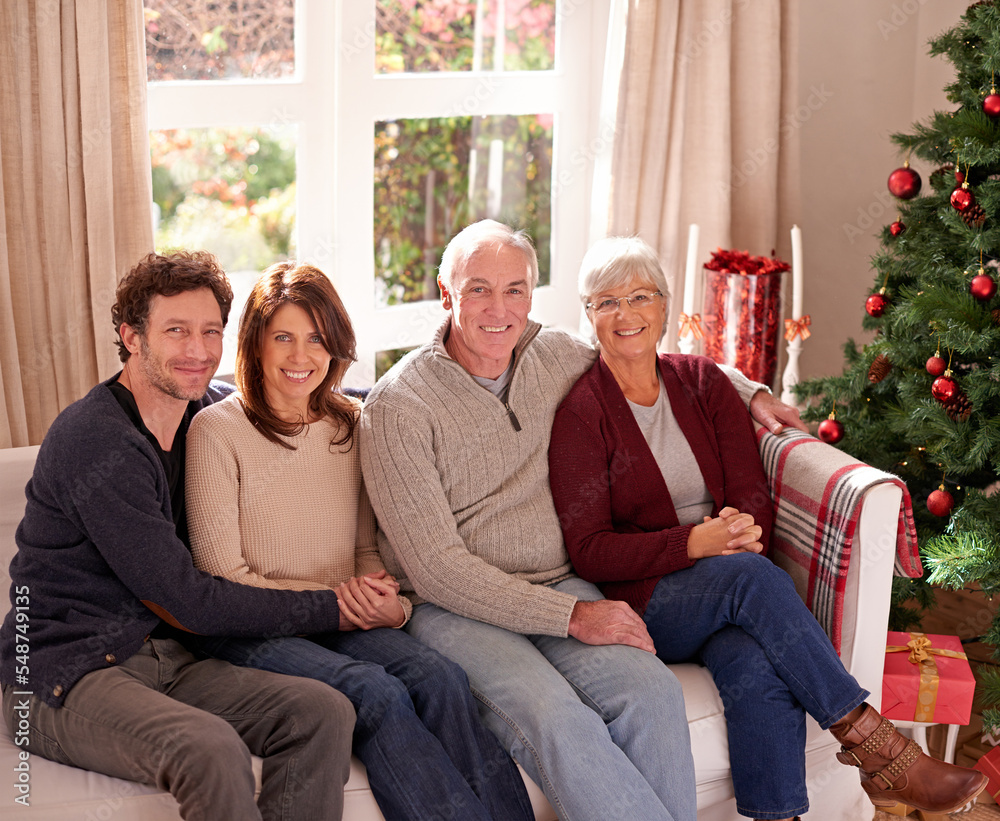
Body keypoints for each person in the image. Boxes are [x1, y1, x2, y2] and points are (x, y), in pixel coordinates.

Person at [358, 219, 806, 821]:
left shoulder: (555, 355)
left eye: (515, 289)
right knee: (559, 719)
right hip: (455, 609)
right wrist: (573, 617)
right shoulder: (398, 407)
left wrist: (750, 390)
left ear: (533, 296)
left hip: (560, 580)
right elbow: (437, 572)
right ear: (446, 294)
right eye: (478, 289)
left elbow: (640, 352)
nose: (499, 308)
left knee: (650, 692)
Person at [547, 235, 988, 821]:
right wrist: (695, 544)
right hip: (647, 598)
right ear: (588, 315)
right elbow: (591, 551)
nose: (625, 315)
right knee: (749, 581)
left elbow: (750, 487)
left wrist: (740, 529)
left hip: (727, 585)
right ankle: (881, 748)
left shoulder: (703, 383)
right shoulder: (581, 412)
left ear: (665, 305)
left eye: (639, 297)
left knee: (754, 661)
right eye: (605, 303)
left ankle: (779, 816)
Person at [0, 252, 356, 821]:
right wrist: (338, 607)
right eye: (176, 331)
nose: (197, 350)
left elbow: (297, 406)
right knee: (210, 750)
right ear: (131, 337)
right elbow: (187, 599)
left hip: (167, 657)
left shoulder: (206, 415)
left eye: (210, 331)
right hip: (65, 671)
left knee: (323, 711)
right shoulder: (97, 440)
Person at [184, 261, 534, 821]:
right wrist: (334, 601)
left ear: (336, 346)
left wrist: (385, 599)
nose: (302, 357)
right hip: (249, 624)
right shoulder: (217, 431)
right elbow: (223, 573)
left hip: (339, 613)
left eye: (317, 339)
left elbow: (367, 548)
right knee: (377, 693)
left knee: (441, 679)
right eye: (283, 338)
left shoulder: (353, 422)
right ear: (254, 344)